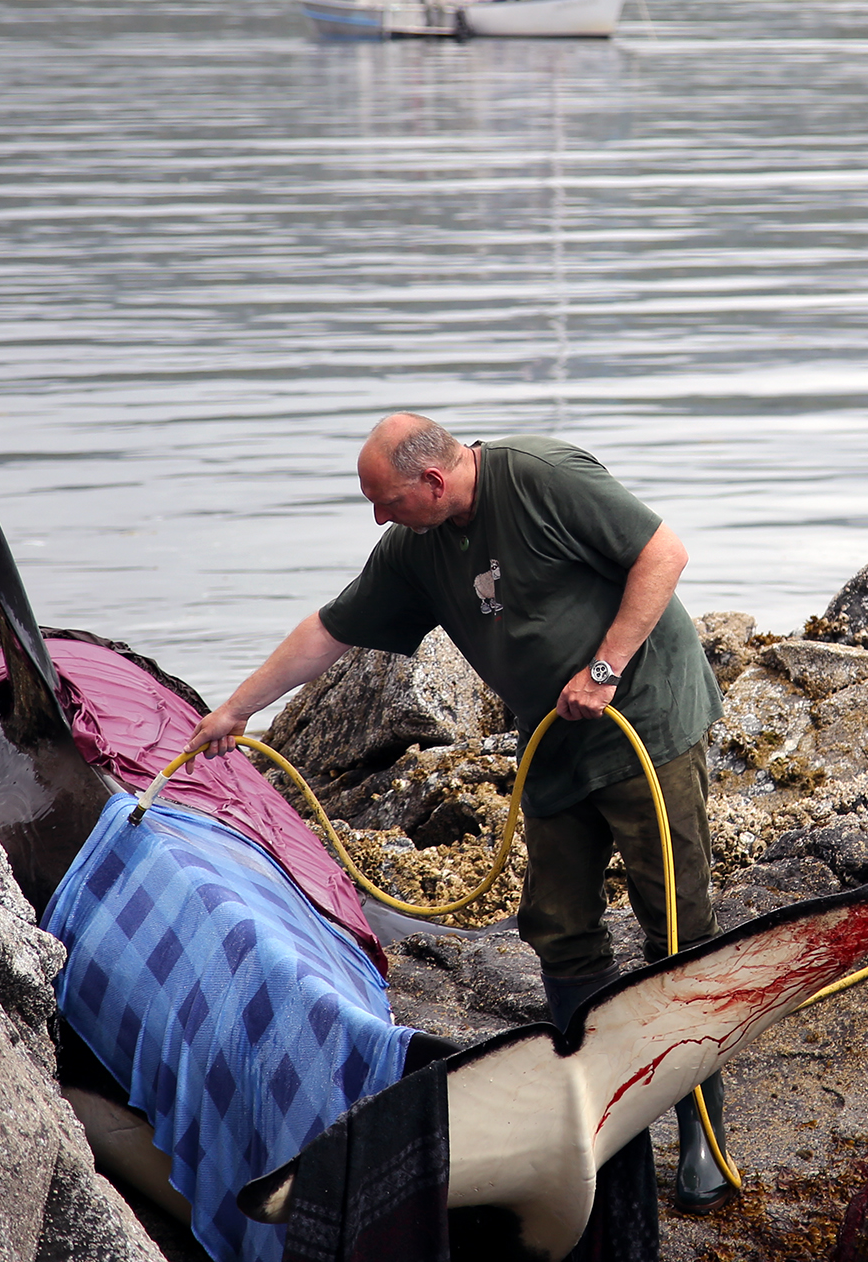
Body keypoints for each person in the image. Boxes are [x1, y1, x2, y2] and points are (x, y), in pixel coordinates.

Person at [185, 413, 734, 1215]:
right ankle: (600, 1120)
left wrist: (607, 667)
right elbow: (328, 630)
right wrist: (234, 709)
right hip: (552, 742)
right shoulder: (415, 548)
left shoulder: (543, 477)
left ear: (433, 482)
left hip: (644, 722)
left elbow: (664, 553)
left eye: (385, 500)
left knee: (676, 927)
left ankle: (702, 1140)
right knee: (558, 924)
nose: (379, 517)